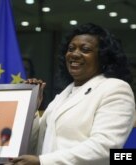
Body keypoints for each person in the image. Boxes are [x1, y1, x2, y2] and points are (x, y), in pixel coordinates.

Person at [7, 23, 136, 165]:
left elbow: (105, 147)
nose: (74, 54)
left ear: (103, 57)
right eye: (71, 48)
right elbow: (36, 144)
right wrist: (31, 108)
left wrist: (42, 161)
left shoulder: (115, 88)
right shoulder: (65, 94)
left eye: (85, 49)